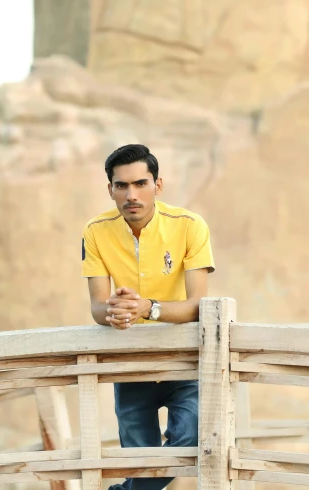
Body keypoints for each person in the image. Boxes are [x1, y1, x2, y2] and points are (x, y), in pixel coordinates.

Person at [81, 143, 215, 490]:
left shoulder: (190, 226)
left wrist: (148, 308)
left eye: (140, 183)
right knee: (140, 466)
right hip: (130, 363)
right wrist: (114, 311)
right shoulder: (95, 231)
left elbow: (200, 304)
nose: (131, 195)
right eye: (121, 185)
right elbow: (97, 307)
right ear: (110, 189)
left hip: (184, 360)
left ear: (158, 185)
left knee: (190, 445)